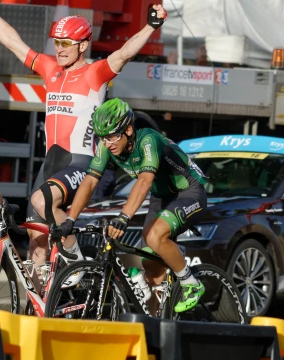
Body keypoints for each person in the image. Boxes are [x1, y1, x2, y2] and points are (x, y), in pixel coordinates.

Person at [0, 0, 166, 286]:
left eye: (66, 43)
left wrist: (151, 26)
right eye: (57, 42)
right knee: (35, 241)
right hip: (53, 161)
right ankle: (41, 304)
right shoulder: (51, 70)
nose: (59, 49)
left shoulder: (94, 73)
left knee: (40, 200)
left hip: (82, 161)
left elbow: (124, 53)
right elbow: (12, 41)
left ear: (83, 45)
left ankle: (76, 259)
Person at [56, 98, 209, 312]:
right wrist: (70, 218)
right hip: (161, 197)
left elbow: (145, 180)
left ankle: (191, 283)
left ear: (128, 130)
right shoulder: (107, 145)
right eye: (103, 138)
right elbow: (90, 180)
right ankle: (157, 320)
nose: (108, 143)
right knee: (151, 265)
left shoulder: (148, 140)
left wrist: (123, 217)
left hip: (190, 192)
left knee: (155, 237)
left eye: (112, 136)